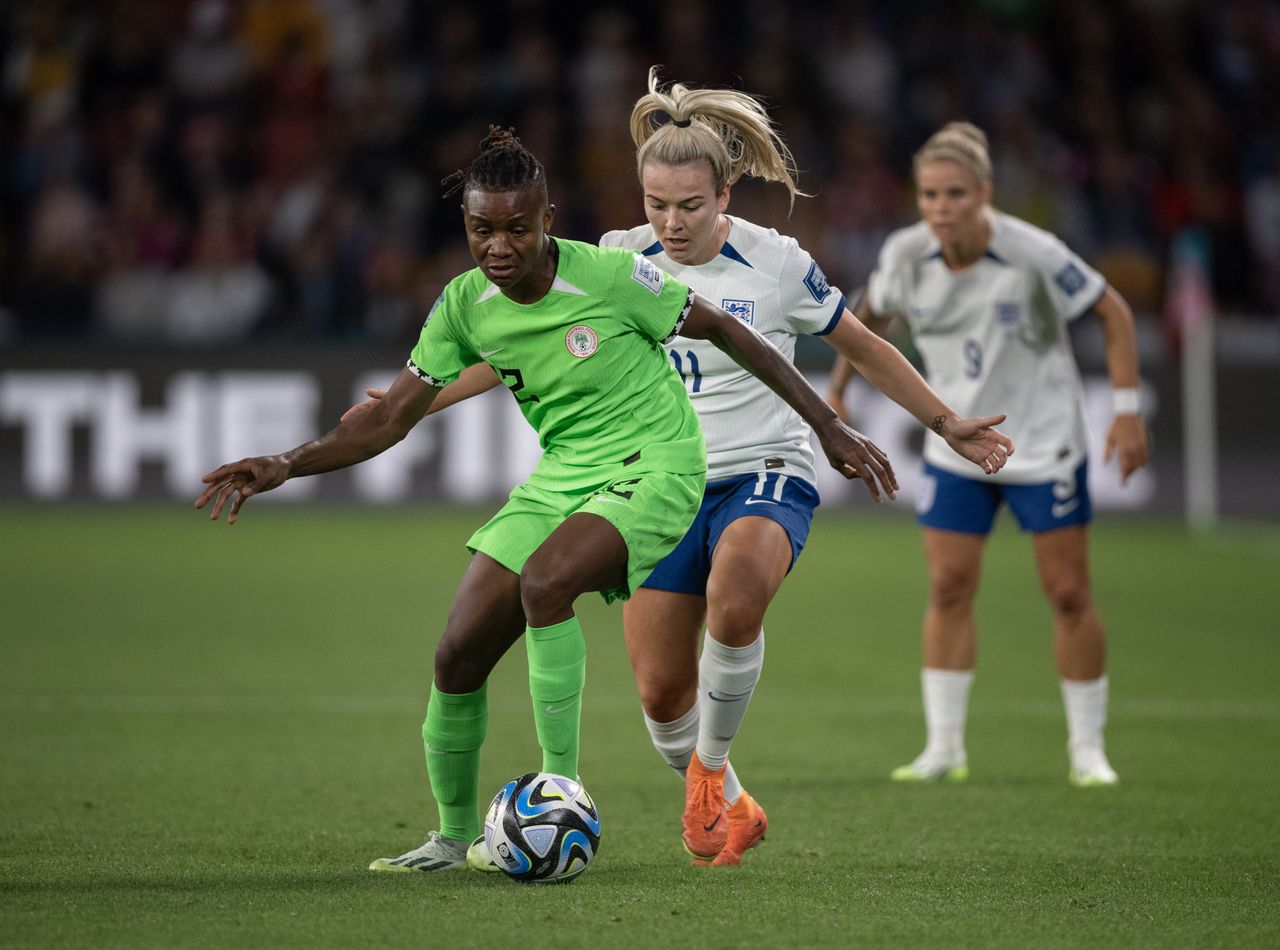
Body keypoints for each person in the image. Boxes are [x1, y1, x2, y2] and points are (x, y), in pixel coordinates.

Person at [349, 77, 1014, 867]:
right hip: (648, 486)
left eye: (690, 206)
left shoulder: (775, 264)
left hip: (763, 469)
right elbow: (509, 355)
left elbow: (863, 344)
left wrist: (943, 421)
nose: (672, 222)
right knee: (664, 698)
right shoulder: (616, 260)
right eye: (657, 204)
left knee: (737, 597)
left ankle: (702, 772)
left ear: (725, 192)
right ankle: (728, 794)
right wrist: (410, 406)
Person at [195, 126, 896, 874]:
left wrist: (828, 424)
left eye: (515, 228)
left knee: (547, 581)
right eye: (481, 230)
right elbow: (389, 420)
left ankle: (563, 790)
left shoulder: (612, 275)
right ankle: (450, 838)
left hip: (658, 464)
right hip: (565, 475)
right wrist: (284, 461)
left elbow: (726, 330)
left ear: (547, 221)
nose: (498, 246)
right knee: (457, 653)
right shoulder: (464, 306)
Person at [826, 121, 1150, 787]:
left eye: (954, 195)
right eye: (928, 195)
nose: (940, 209)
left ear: (985, 194)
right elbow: (869, 316)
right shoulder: (906, 254)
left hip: (1044, 442)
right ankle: (944, 748)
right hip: (956, 447)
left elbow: (1113, 311)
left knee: (1067, 592)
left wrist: (1126, 411)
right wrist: (837, 389)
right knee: (948, 587)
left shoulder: (1032, 252)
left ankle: (1088, 751)